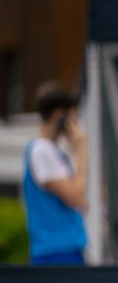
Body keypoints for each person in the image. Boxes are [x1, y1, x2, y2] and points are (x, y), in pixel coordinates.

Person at [21, 81, 88, 265]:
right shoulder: (41, 151)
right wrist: (81, 149)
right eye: (73, 116)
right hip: (56, 251)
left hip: (62, 248)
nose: (76, 123)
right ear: (60, 114)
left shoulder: (51, 152)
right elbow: (75, 197)